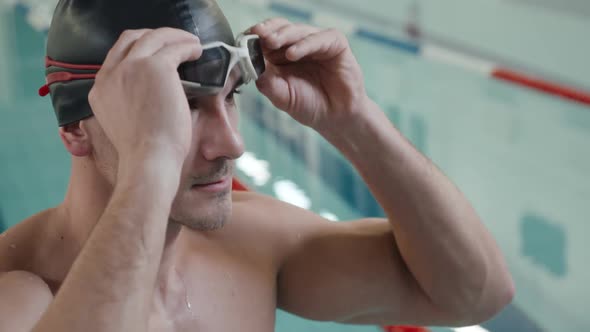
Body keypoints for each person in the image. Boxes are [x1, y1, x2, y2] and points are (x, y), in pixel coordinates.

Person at [0, 0, 514, 331]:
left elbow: (474, 295)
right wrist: (151, 161)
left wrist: (355, 120)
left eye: (231, 97)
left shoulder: (250, 245)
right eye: (178, 107)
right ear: (74, 130)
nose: (231, 143)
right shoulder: (19, 293)